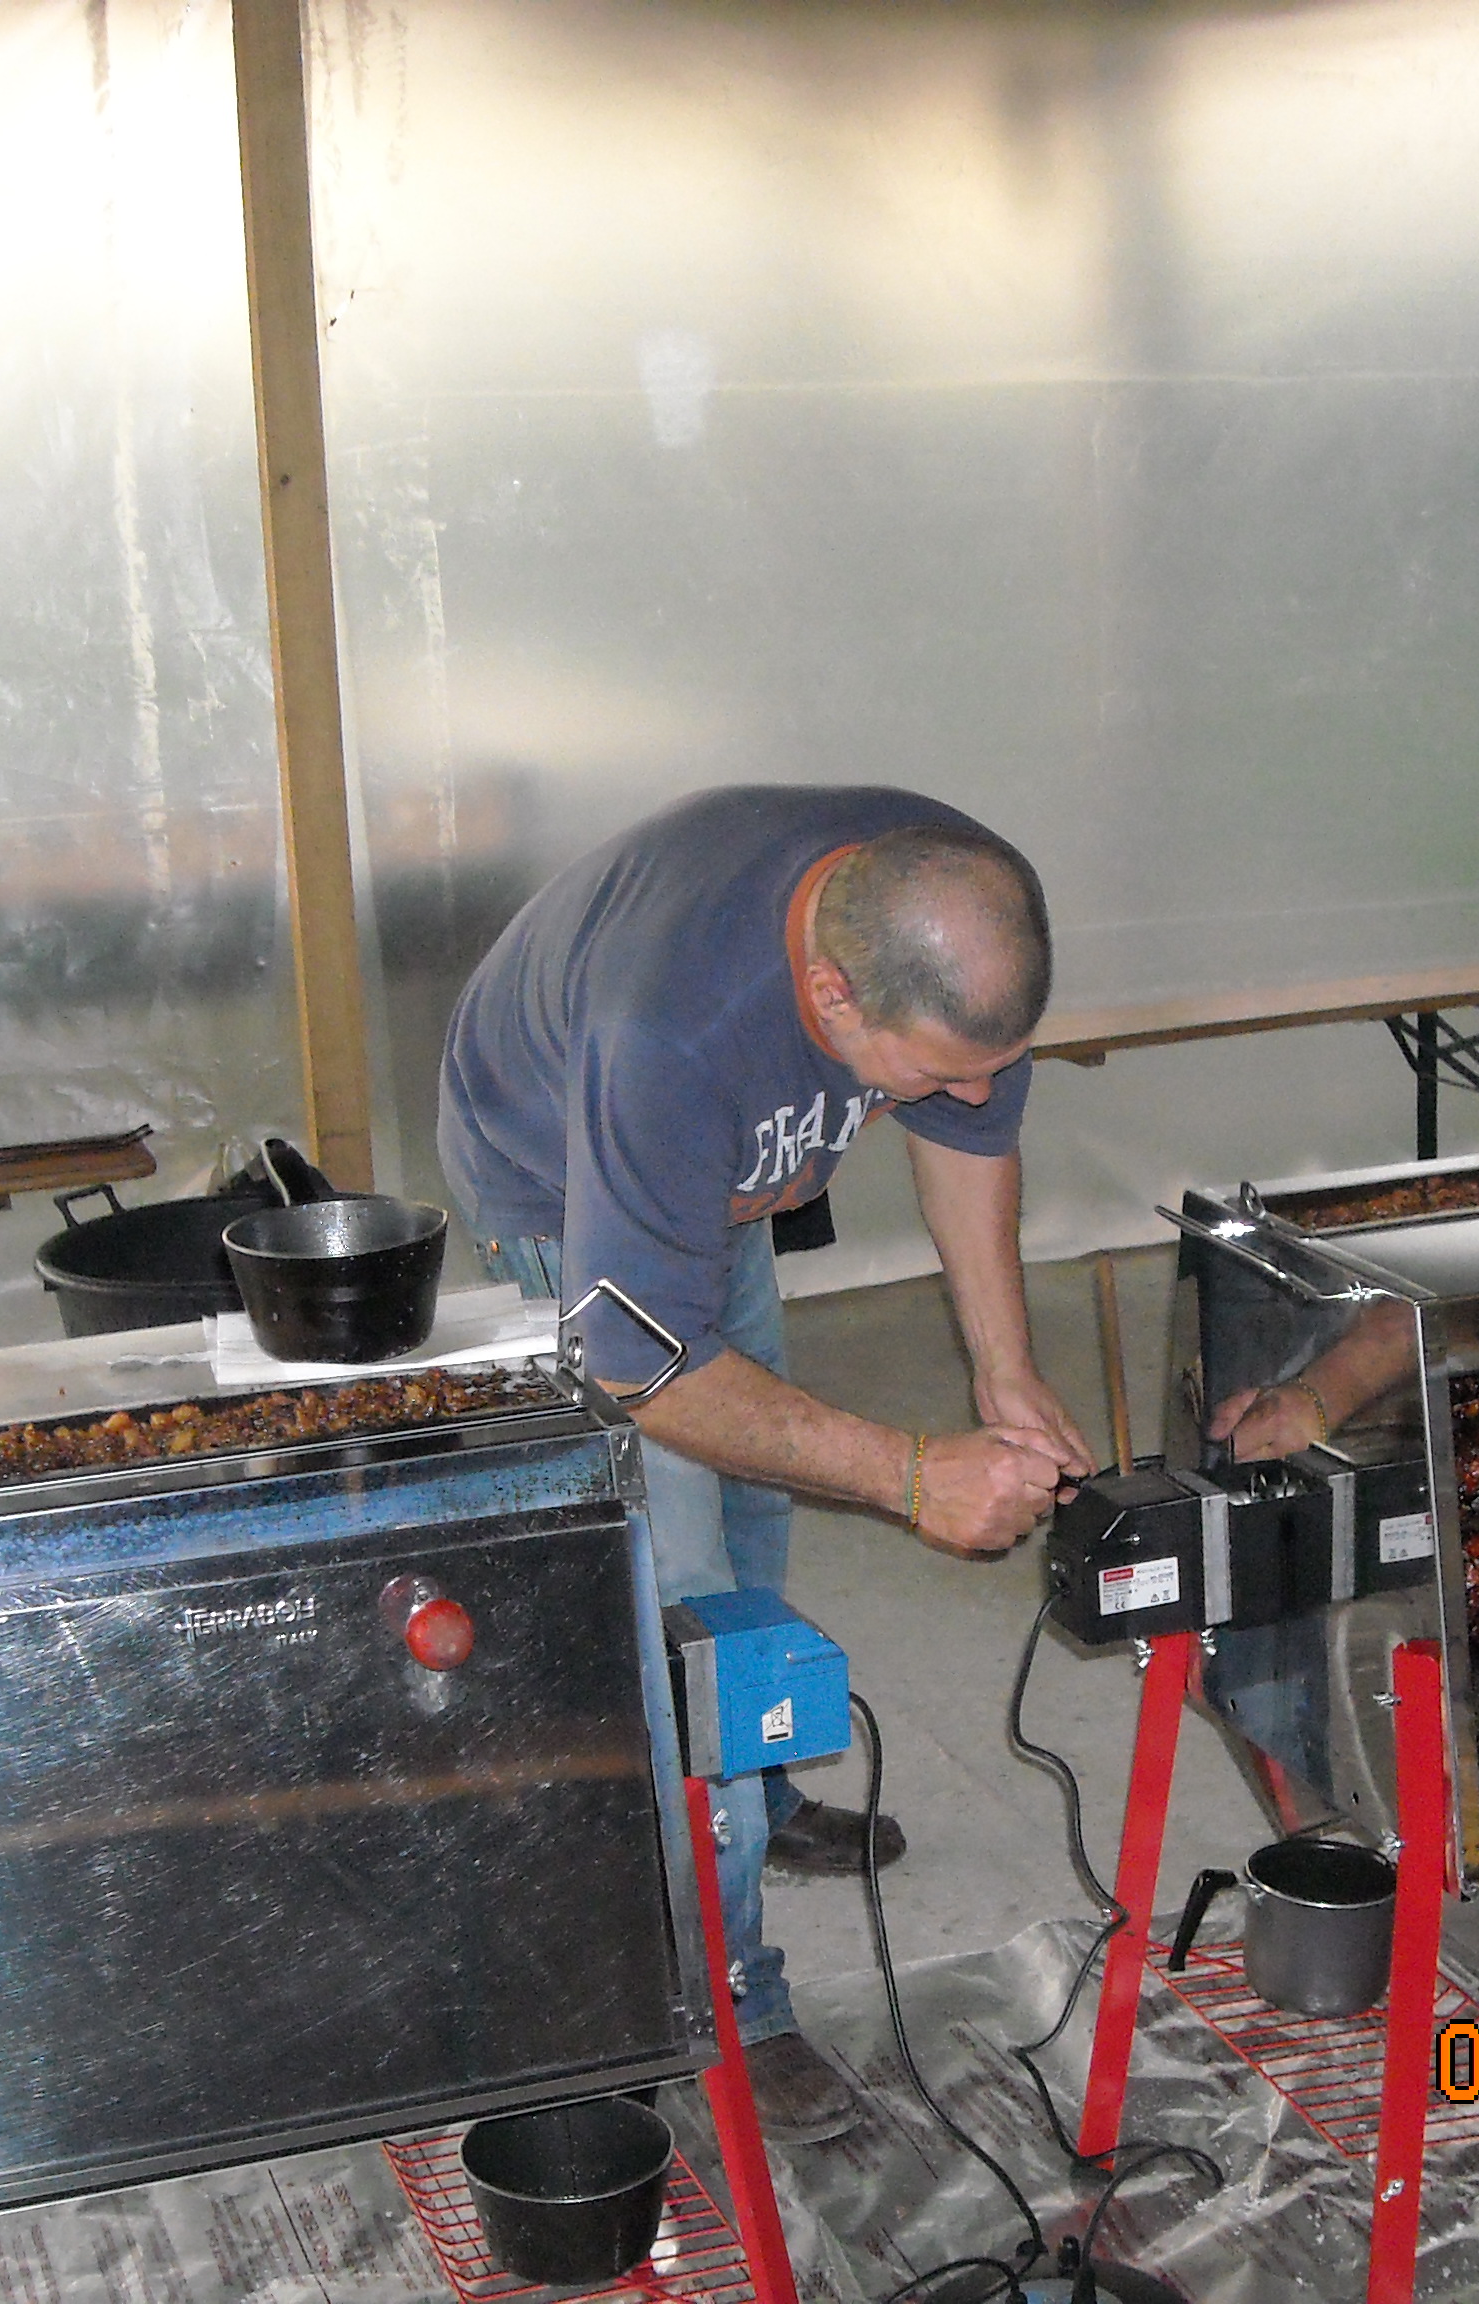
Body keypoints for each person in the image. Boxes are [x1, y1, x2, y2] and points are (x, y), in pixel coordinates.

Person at [437, 783, 1095, 2141]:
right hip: (567, 1182)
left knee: (757, 1516)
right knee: (694, 1613)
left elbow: (970, 1131)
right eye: (939, 1067)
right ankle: (726, 1997)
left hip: (711, 1175)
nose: (978, 1087)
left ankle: (764, 1784)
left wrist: (1004, 1368)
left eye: (995, 1060)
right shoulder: (670, 1034)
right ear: (833, 997)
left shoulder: (956, 912)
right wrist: (913, 1474)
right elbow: (646, 1366)